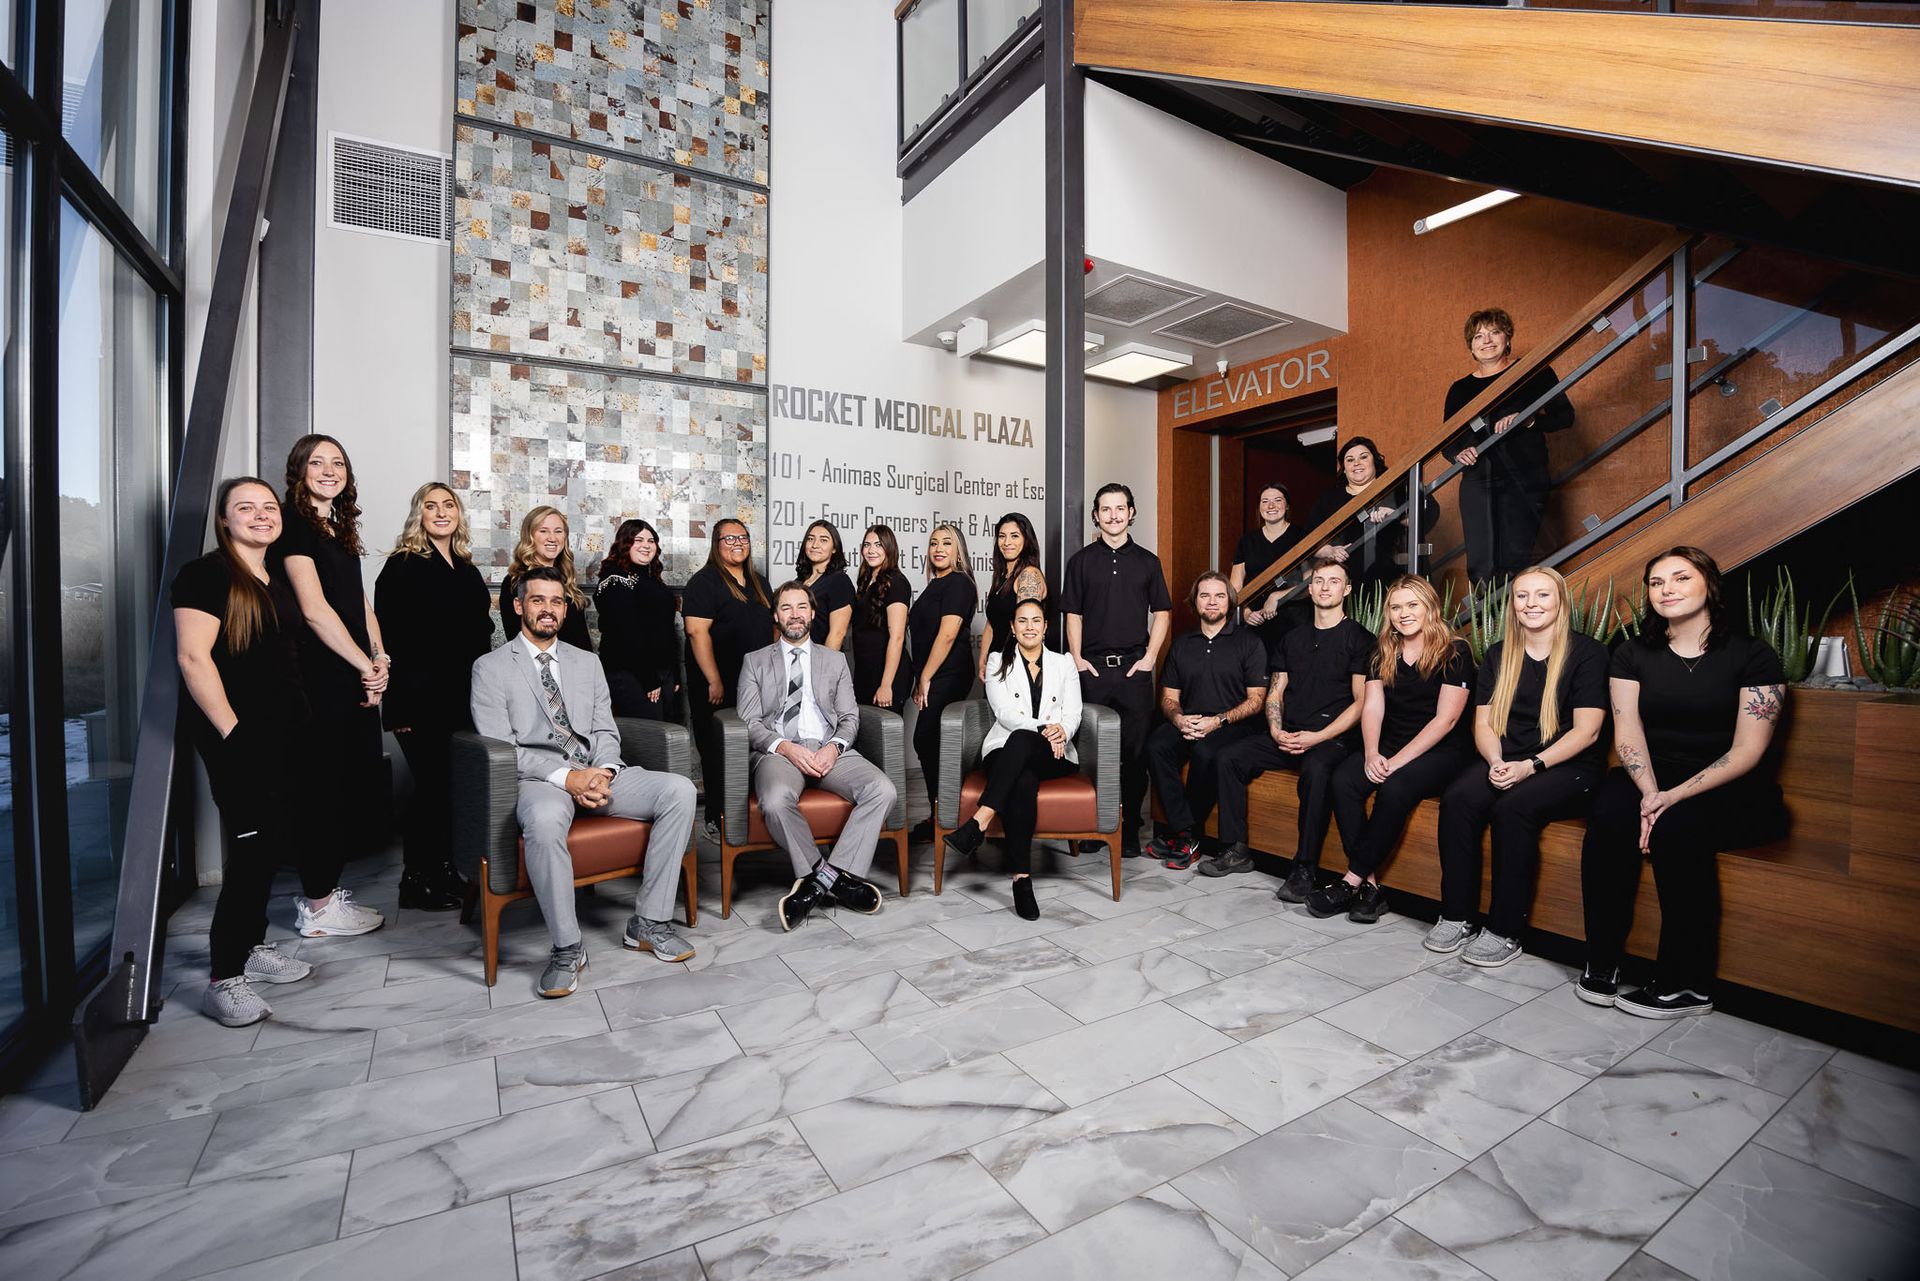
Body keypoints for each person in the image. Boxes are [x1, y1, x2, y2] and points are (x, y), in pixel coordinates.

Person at [469, 567, 699, 997]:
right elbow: (502, 748)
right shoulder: (491, 668)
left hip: (595, 772)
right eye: (538, 600)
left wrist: (604, 772)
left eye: (557, 602)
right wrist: (567, 777)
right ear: (518, 606)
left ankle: (648, 922)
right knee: (542, 820)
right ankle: (567, 947)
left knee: (680, 790)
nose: (548, 610)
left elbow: (606, 731)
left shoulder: (586, 662)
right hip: (539, 780)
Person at [1578, 546, 1787, 1018]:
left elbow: (1747, 751)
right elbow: (1627, 731)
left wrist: (1670, 799)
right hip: (1650, 774)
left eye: (1680, 578)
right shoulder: (1631, 653)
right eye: (1656, 582)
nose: (1666, 589)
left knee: (1677, 826)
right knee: (1610, 813)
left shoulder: (1753, 655)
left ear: (1708, 585)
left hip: (1730, 785)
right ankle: (1603, 959)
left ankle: (1684, 984)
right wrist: (1651, 793)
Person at [175, 478, 326, 1024]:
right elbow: (194, 659)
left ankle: (252, 948)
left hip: (288, 732)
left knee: (274, 843)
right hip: (241, 737)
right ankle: (224, 976)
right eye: (246, 508)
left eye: (268, 508)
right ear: (224, 519)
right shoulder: (206, 575)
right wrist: (233, 737)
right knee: (252, 854)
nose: (261, 516)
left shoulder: (270, 576)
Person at [1433, 564, 1607, 967]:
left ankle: (1506, 928)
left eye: (1542, 594)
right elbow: (1483, 723)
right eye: (1522, 595)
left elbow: (1588, 732)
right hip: (1507, 758)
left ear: (1561, 602)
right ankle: (1457, 915)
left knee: (1513, 807)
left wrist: (1531, 765)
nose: (1531, 603)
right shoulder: (1499, 654)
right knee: (1459, 798)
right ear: (1512, 605)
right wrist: (1495, 761)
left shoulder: (1588, 654)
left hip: (1569, 765)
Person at [271, 434, 388, 939]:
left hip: (353, 673)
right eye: (317, 462)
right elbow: (315, 610)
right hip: (319, 679)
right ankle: (318, 909)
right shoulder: (293, 525)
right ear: (299, 470)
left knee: (348, 789)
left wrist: (380, 659)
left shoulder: (340, 528)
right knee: (321, 793)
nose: (328, 470)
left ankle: (326, 898)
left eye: (337, 462)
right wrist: (364, 665)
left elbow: (359, 605)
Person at [1202, 558, 1371, 902]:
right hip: (1288, 731)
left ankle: (1304, 867)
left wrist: (1318, 738)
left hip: (1332, 738)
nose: (1325, 587)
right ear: (1309, 590)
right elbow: (1275, 692)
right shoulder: (1292, 638)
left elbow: (1360, 703)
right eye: (1319, 581)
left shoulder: (1360, 639)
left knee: (1316, 771)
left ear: (1347, 590)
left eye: (1334, 581)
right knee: (1229, 757)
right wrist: (1277, 730)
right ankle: (1236, 848)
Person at [1311, 576, 1475, 923]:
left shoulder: (1455, 650)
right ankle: (1369, 887)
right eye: (1396, 607)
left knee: (1395, 787)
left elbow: (1445, 721)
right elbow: (1372, 708)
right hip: (1389, 743)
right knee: (1343, 780)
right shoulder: (1381, 651)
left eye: (1412, 605)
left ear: (1430, 606)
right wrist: (1372, 753)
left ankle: (1349, 880)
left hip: (1440, 750)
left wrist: (1396, 762)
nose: (1404, 613)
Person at [736, 582, 896, 931]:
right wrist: (786, 747)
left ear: (812, 613)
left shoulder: (835, 660)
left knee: (882, 789)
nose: (795, 614)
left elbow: (850, 717)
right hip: (779, 750)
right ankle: (830, 879)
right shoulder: (755, 661)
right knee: (776, 800)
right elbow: (748, 722)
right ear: (776, 616)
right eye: (786, 608)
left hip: (828, 747)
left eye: (801, 607)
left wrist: (833, 747)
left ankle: (820, 881)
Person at [375, 482, 494, 911]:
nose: (441, 512)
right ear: (418, 515)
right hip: (419, 701)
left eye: (449, 505)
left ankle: (444, 871)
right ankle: (415, 881)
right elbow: (391, 639)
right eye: (431, 506)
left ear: (459, 514)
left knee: (450, 789)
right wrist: (399, 705)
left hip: (461, 699)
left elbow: (481, 634)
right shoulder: (402, 565)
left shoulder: (465, 567)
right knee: (430, 789)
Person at [943, 598, 1082, 920]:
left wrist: (1061, 731)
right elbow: (1004, 714)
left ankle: (978, 823)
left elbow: (1074, 712)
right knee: (1023, 775)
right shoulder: (996, 661)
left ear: (1046, 627)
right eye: (1022, 621)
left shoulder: (1063, 663)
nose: (1030, 627)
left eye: (1036, 621)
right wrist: (1047, 728)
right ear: (1013, 627)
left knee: (1023, 745)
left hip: (1056, 752)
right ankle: (1022, 880)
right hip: (1006, 749)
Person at [1062, 483, 1172, 858]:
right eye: (1105, 509)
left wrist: (1151, 657)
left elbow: (1162, 612)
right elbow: (1072, 614)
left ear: (1131, 512)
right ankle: (1096, 823)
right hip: (1091, 670)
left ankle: (1126, 829)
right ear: (1096, 515)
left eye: (1120, 508)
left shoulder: (1148, 562)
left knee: (1135, 753)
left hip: (1134, 671)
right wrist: (1077, 658)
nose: (1113, 515)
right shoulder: (1080, 561)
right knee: (1092, 752)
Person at [1440, 308, 1577, 586]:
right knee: (1481, 561)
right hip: (1478, 479)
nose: (1486, 340)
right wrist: (1458, 453)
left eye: (1494, 332)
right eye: (1478, 336)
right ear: (1471, 346)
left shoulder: (1533, 371)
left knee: (1516, 556)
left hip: (1524, 476)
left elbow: (1565, 416)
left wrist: (1529, 419)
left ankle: (1515, 622)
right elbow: (1446, 442)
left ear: (1507, 337)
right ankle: (1487, 626)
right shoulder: (1459, 389)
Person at [1146, 572, 1268, 870]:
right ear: (1194, 602)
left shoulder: (1249, 643)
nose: (1212, 602)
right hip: (1191, 721)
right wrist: (1178, 719)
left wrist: (1218, 721)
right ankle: (1186, 832)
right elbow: (1168, 698)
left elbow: (1256, 700)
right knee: (1156, 745)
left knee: (1207, 752)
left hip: (1233, 726)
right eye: (1205, 595)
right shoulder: (1182, 644)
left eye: (1219, 595)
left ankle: (1184, 835)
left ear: (1230, 602)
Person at [683, 519, 777, 825]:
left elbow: (775, 630)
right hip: (718, 685)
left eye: (743, 537)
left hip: (757, 687)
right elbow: (697, 633)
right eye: (730, 538)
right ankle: (717, 819)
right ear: (716, 543)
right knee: (718, 753)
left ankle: (750, 822)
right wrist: (714, 680)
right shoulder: (704, 581)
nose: (738, 543)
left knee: (756, 750)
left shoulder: (760, 582)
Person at [908, 523, 979, 843]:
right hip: (934, 672)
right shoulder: (934, 584)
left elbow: (948, 634)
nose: (938, 548)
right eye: (933, 542)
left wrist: (926, 676)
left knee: (925, 737)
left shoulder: (959, 584)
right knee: (930, 739)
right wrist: (920, 676)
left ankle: (946, 814)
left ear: (958, 551)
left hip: (950, 671)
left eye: (947, 543)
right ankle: (943, 814)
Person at [1306, 436, 1439, 590]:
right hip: (1350, 585)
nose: (1356, 463)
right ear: (1344, 467)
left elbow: (1430, 513)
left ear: (1375, 460)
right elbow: (1308, 540)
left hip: (1401, 579)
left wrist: (1398, 516)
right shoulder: (1330, 499)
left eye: (1363, 457)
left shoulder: (1399, 486)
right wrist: (1329, 551)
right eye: (1350, 460)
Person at [594, 518, 681, 721]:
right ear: (625, 544)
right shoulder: (614, 580)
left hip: (661, 673)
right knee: (650, 740)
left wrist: (673, 673)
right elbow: (625, 635)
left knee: (669, 738)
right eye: (638, 540)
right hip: (632, 674)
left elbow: (666, 630)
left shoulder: (652, 581)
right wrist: (649, 679)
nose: (646, 545)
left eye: (651, 541)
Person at [499, 506, 594, 651]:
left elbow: (581, 636)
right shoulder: (515, 582)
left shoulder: (566, 579)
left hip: (577, 666)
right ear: (529, 536)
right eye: (543, 531)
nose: (552, 538)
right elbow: (517, 640)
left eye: (558, 531)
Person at [1230, 484, 1305, 650]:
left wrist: (1277, 596)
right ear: (1259, 508)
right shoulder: (1247, 541)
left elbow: (1311, 584)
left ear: (1287, 506)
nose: (1271, 506)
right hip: (1256, 621)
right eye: (1265, 501)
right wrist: (1246, 612)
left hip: (1294, 621)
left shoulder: (1302, 536)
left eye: (1277, 500)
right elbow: (1235, 588)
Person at [977, 512, 1047, 681]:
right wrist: (983, 661)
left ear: (1026, 540)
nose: (1007, 542)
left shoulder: (1029, 575)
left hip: (1017, 666)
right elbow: (991, 625)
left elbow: (1029, 629)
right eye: (1002, 536)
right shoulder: (1002, 579)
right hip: (997, 664)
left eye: (1014, 536)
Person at [851, 524, 912, 710]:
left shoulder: (897, 582)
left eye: (878, 545)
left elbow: (898, 637)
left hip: (887, 675)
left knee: (886, 736)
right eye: (867, 545)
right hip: (865, 671)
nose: (871, 550)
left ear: (889, 548)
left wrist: (886, 685)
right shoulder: (866, 581)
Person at [797, 520, 855, 650]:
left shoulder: (839, 581)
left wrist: (824, 668)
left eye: (823, 540)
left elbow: (837, 634)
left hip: (822, 662)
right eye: (810, 539)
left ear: (834, 548)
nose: (815, 545)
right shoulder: (798, 583)